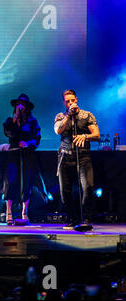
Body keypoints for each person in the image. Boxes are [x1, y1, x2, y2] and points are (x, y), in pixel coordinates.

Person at [54, 89, 100, 230]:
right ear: (64, 102)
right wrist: (68, 115)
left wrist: (85, 136)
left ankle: (85, 218)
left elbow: (97, 135)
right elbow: (57, 130)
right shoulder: (61, 116)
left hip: (83, 157)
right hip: (65, 157)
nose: (70, 103)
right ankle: (72, 219)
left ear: (77, 100)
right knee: (65, 192)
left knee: (88, 187)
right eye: (67, 101)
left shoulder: (86, 115)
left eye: (72, 100)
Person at [2, 93, 41, 225]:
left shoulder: (32, 122)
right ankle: (9, 213)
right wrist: (16, 118)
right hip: (13, 154)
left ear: (27, 107)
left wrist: (28, 143)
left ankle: (24, 212)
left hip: (27, 155)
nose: (21, 106)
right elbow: (9, 133)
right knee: (11, 181)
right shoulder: (10, 120)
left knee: (26, 182)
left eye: (23, 104)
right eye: (19, 104)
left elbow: (37, 138)